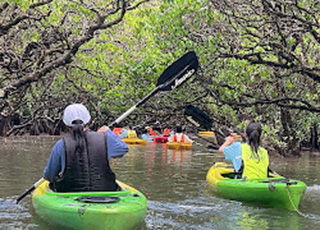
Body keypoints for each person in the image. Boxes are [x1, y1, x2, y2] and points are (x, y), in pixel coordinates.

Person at [43, 104, 129, 192]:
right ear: (89, 120)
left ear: (66, 124)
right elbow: (123, 149)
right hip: (105, 194)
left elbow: (49, 175)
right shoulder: (105, 139)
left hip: (70, 195)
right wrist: (107, 131)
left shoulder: (61, 144)